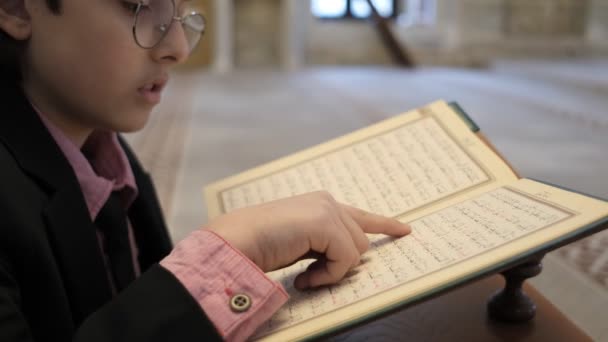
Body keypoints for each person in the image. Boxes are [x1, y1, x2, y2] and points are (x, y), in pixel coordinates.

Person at [0, 0, 411, 341]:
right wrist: (220, 262)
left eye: (181, 14)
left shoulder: (103, 151)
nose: (178, 47)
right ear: (17, 8)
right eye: (142, 6)